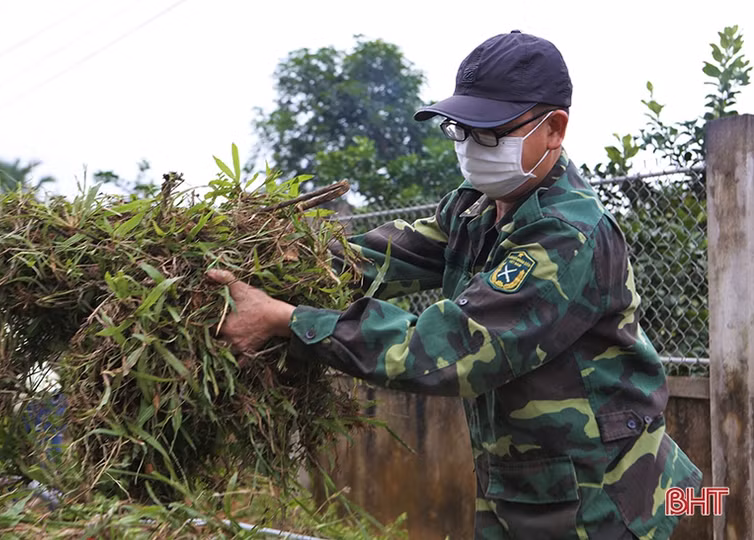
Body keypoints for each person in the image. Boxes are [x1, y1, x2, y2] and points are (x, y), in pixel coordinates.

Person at [206, 31, 702, 540]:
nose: (469, 148)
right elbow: (380, 258)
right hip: (521, 482)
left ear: (554, 129)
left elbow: (448, 351)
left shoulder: (566, 235)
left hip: (599, 495)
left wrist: (287, 319)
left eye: (489, 134)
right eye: (459, 130)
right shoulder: (476, 207)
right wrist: (275, 257)